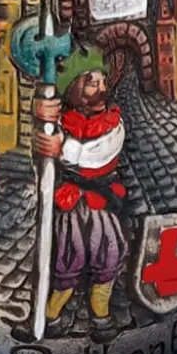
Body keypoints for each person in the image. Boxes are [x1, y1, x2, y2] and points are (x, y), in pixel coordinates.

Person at [34, 46, 128, 337]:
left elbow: (98, 154)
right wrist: (41, 118)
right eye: (92, 83)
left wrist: (61, 147)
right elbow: (46, 139)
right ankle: (51, 315)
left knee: (108, 252)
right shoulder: (66, 120)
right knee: (68, 258)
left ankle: (100, 314)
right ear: (75, 88)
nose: (101, 89)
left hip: (99, 202)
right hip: (72, 204)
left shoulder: (112, 123)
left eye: (102, 81)